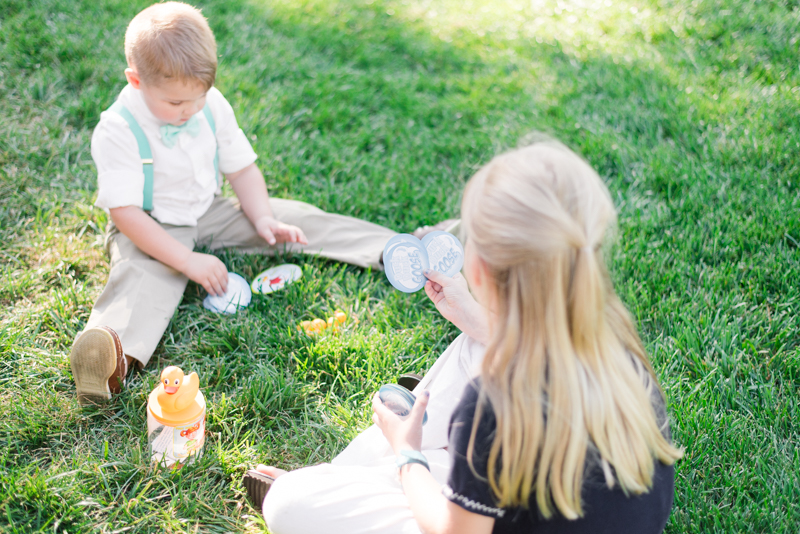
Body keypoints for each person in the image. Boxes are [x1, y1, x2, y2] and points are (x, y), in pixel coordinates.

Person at [248, 141, 683, 534]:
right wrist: (471, 315)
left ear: (478, 268)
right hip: (529, 500)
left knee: (290, 505)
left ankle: (346, 482)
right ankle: (363, 479)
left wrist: (407, 454)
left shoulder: (492, 403)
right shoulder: (616, 344)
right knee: (478, 340)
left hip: (468, 524)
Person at [70, 2, 405, 405]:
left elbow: (242, 169)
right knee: (144, 278)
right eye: (176, 104)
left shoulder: (210, 105)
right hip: (149, 224)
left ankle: (395, 247)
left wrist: (262, 217)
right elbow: (124, 213)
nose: (189, 111)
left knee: (294, 220)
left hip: (208, 209)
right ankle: (108, 357)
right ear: (136, 81)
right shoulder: (118, 128)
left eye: (197, 99)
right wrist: (186, 260)